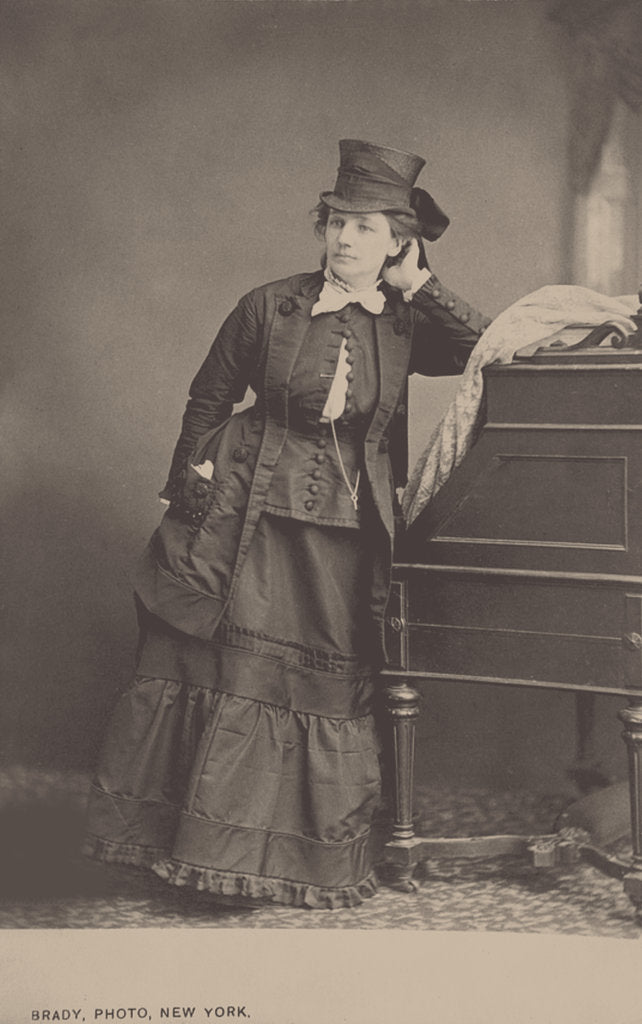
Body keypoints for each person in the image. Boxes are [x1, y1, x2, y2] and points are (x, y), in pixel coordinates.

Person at [83, 139, 491, 909]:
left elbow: (489, 350)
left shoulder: (406, 323)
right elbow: (208, 400)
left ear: (397, 242)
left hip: (345, 531)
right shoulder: (267, 306)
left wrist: (422, 284)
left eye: (366, 227)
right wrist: (190, 493)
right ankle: (199, 856)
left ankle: (293, 860)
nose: (345, 239)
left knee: (317, 687)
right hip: (244, 516)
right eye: (336, 222)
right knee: (225, 669)